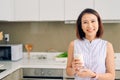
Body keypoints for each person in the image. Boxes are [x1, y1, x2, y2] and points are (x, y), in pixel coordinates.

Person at [66, 8, 115, 80]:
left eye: (93, 21)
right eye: (85, 22)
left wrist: (94, 75)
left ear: (98, 23)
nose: (90, 25)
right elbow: (68, 71)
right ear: (81, 26)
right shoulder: (73, 44)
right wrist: (74, 69)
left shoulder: (107, 46)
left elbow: (111, 76)